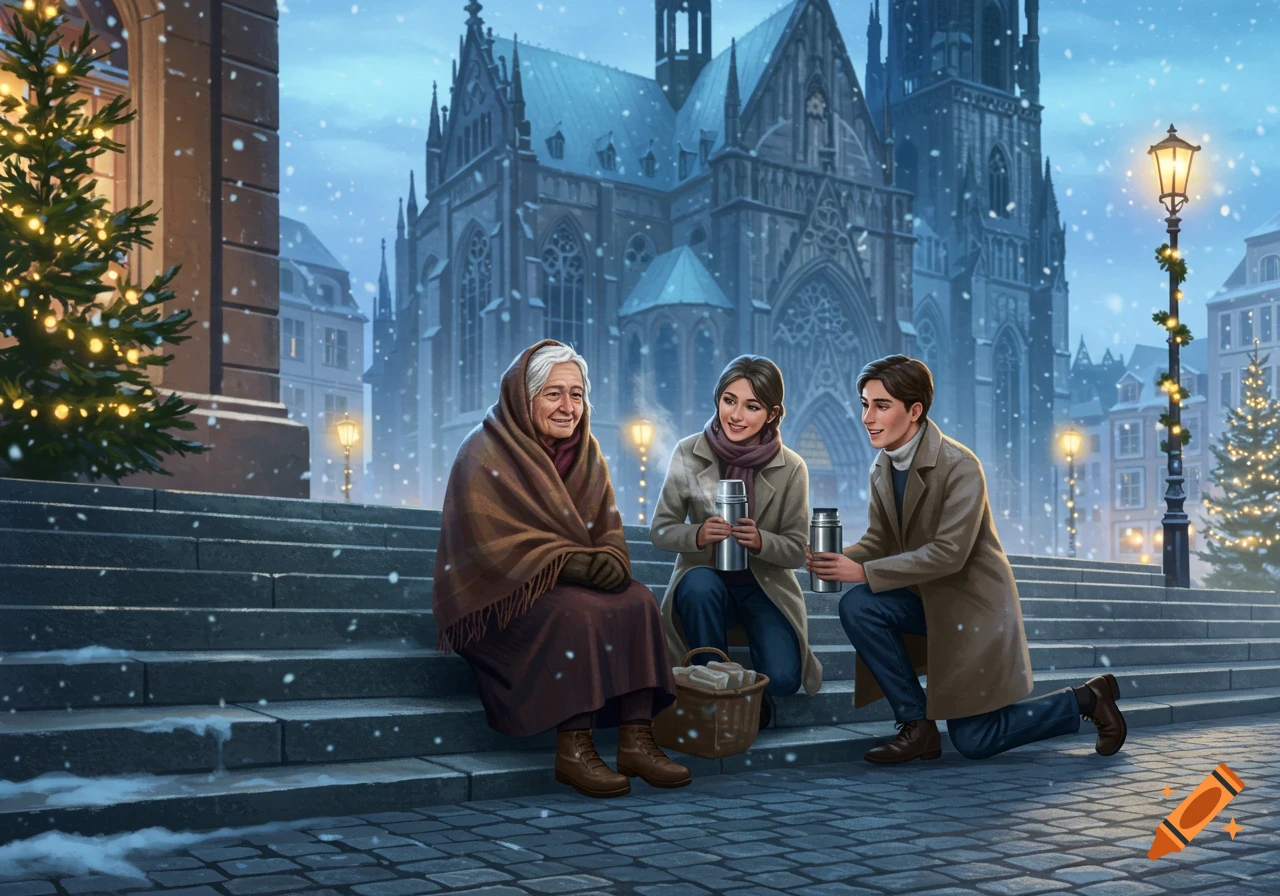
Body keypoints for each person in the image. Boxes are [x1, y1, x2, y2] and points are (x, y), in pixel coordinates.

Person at [806, 354, 1126, 763]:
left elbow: (949, 552)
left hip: (970, 609)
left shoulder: (959, 465)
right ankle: (917, 727)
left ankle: (1086, 699)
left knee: (977, 740)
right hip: (926, 601)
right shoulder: (881, 467)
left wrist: (862, 570)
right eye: (865, 404)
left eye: (881, 405)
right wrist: (833, 557)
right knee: (860, 604)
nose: (867, 417)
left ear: (915, 410)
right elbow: (880, 540)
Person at [433, 340, 691, 798]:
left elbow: (606, 525)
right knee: (575, 613)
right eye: (554, 394)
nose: (568, 407)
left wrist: (610, 559)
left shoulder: (586, 451)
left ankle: (636, 738)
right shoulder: (482, 452)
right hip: (502, 598)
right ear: (524, 397)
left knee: (639, 600)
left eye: (576, 394)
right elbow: (489, 547)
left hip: (567, 581)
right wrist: (567, 561)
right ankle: (574, 749)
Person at [652, 355, 822, 730]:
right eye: (729, 400)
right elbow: (661, 529)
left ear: (773, 414)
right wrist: (697, 534)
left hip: (764, 587)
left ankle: (750, 694)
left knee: (782, 679)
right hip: (704, 580)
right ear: (717, 399)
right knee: (698, 585)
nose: (736, 415)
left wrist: (762, 541)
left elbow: (796, 548)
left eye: (752, 406)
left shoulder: (791, 466)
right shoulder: (689, 451)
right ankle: (713, 692)